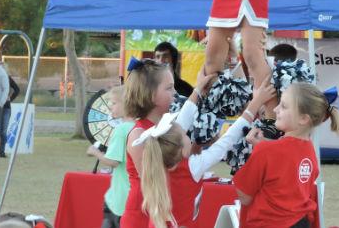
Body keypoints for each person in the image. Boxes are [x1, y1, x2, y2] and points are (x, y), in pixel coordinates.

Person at [132, 77, 275, 228]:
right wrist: (256, 103)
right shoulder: (192, 167)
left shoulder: (158, 159)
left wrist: (198, 90)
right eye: (185, 134)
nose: (187, 133)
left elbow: (182, 121)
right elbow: (226, 141)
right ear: (181, 148)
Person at [234, 83, 339, 228]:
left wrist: (259, 152)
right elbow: (287, 162)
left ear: (303, 119)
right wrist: (263, 148)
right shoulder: (309, 152)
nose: (275, 109)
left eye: (284, 106)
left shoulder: (266, 151)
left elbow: (244, 197)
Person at [119, 58, 176, 228]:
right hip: (143, 216)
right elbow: (154, 185)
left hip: (160, 212)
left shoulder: (166, 128)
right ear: (151, 95)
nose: (175, 92)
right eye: (169, 88)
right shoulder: (139, 135)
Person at [85, 86, 134, 228]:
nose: (110, 108)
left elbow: (113, 161)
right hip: (131, 197)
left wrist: (95, 152)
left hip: (118, 201)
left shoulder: (121, 130)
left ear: (126, 104)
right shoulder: (137, 126)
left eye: (113, 103)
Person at [0, 70, 19, 158]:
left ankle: (1, 151)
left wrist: (10, 98)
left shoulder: (8, 78)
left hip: (6, 108)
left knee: (3, 131)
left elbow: (17, 90)